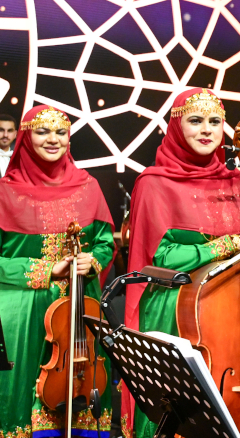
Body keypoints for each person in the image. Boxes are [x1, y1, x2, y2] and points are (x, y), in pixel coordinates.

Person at [123, 88, 240, 438]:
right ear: (176, 127)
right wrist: (226, 245)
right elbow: (157, 258)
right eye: (195, 120)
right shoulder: (153, 183)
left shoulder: (239, 181)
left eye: (215, 122)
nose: (206, 129)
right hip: (175, 310)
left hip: (233, 309)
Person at [0, 105, 115, 436]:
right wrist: (47, 270)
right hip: (23, 318)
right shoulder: (5, 192)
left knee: (81, 401)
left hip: (79, 316)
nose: (53, 139)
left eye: (61, 133)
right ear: (25, 138)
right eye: (42, 132)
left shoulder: (88, 186)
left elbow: (105, 244)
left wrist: (91, 261)